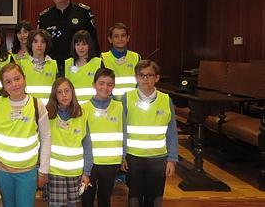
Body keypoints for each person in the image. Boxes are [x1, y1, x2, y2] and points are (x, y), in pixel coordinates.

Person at [0, 63, 51, 207]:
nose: (14, 84)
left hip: (27, 172)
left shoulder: (37, 105)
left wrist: (43, 170)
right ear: (4, 86)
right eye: (8, 82)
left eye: (17, 79)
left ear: (24, 79)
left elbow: (46, 138)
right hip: (2, 170)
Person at [121, 60, 178, 207]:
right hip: (133, 158)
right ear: (136, 78)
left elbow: (172, 132)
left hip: (158, 159)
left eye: (149, 75)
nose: (145, 79)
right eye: (141, 75)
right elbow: (121, 130)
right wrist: (123, 156)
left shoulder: (166, 100)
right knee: (134, 198)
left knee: (155, 198)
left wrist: (172, 159)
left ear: (157, 78)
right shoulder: (126, 98)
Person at [38, 0, 101, 74]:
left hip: (80, 67)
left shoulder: (83, 12)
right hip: (54, 68)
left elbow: (93, 40)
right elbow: (40, 45)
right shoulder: (44, 17)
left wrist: (96, 65)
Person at [45, 77, 91, 207]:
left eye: (67, 91)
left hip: (75, 173)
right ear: (54, 95)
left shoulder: (82, 114)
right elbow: (41, 144)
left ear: (72, 92)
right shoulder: (48, 114)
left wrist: (86, 172)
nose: (64, 95)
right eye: (59, 92)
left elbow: (87, 146)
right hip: (54, 172)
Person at [81, 68, 123, 207]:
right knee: (87, 198)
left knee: (105, 198)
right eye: (101, 83)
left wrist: (124, 156)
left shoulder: (119, 107)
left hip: (110, 163)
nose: (105, 87)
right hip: (89, 164)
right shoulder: (83, 108)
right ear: (94, 85)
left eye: (109, 84)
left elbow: (125, 133)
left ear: (113, 87)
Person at [101, 23, 141, 100]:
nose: (120, 39)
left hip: (132, 102)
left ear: (128, 38)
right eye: (116, 36)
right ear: (110, 39)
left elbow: (140, 82)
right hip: (112, 103)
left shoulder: (136, 57)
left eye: (123, 35)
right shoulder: (103, 58)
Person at [20, 29, 58, 104]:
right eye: (35, 41)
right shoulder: (22, 64)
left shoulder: (54, 64)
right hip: (28, 107)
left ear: (47, 44)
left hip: (48, 108)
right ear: (31, 44)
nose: (39, 45)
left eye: (43, 42)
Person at [64, 30, 102, 103]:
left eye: (84, 44)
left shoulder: (98, 63)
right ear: (74, 46)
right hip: (73, 108)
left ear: (89, 45)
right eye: (78, 44)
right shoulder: (68, 63)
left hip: (93, 107)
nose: (81, 48)